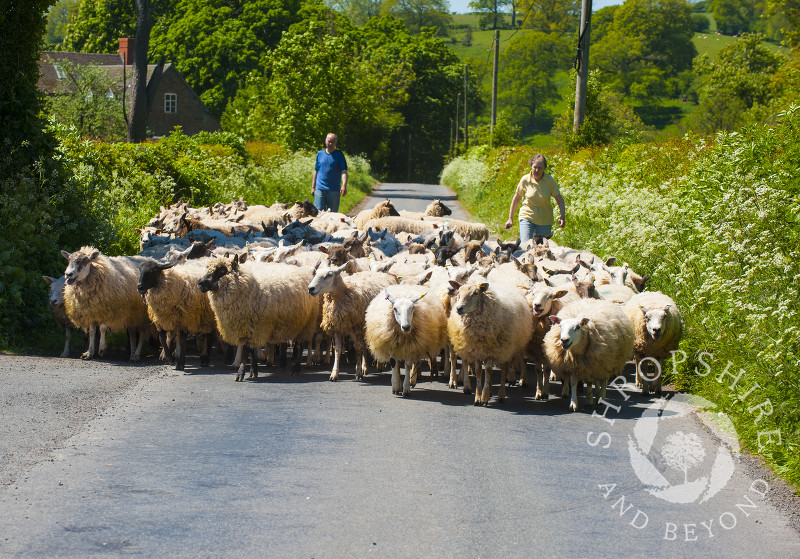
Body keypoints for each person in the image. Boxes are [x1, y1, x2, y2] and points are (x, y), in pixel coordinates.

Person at [505, 154, 565, 243]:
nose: (537, 170)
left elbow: (559, 199)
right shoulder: (525, 180)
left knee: (542, 248)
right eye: (535, 167)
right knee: (526, 246)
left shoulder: (550, 181)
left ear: (544, 168)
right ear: (531, 166)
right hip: (527, 216)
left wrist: (562, 216)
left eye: (540, 168)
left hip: (544, 219)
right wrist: (510, 218)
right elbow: (517, 198)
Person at [311, 133, 348, 212]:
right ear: (325, 141)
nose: (330, 144)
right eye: (329, 141)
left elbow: (344, 171)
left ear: (336, 143)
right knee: (318, 213)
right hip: (320, 188)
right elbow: (316, 171)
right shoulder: (320, 154)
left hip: (334, 189)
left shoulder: (339, 155)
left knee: (332, 214)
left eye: (333, 142)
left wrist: (344, 185)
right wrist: (313, 187)